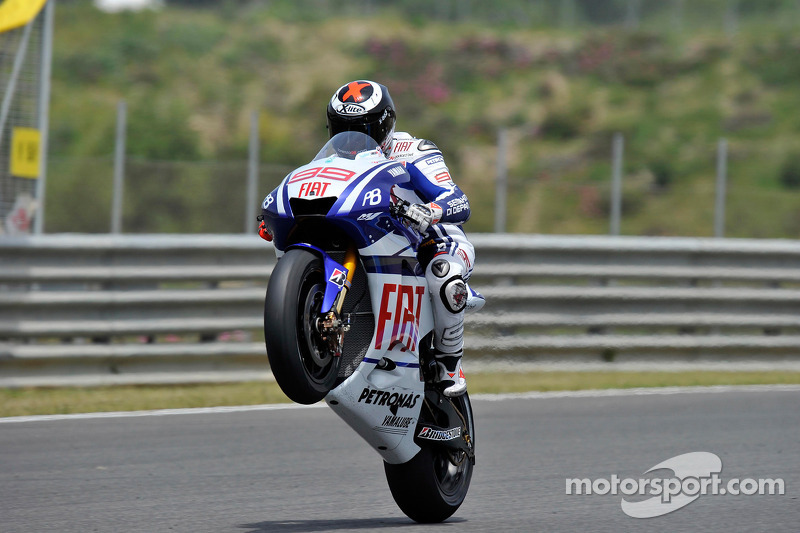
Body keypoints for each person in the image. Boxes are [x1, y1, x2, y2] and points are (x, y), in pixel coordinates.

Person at [326, 80, 484, 396]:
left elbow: (457, 200)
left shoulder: (413, 151)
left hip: (430, 238)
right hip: (374, 239)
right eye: (343, 128)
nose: (353, 139)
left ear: (384, 125)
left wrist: (431, 211)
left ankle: (450, 363)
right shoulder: (333, 161)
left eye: (363, 130)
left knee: (443, 272)